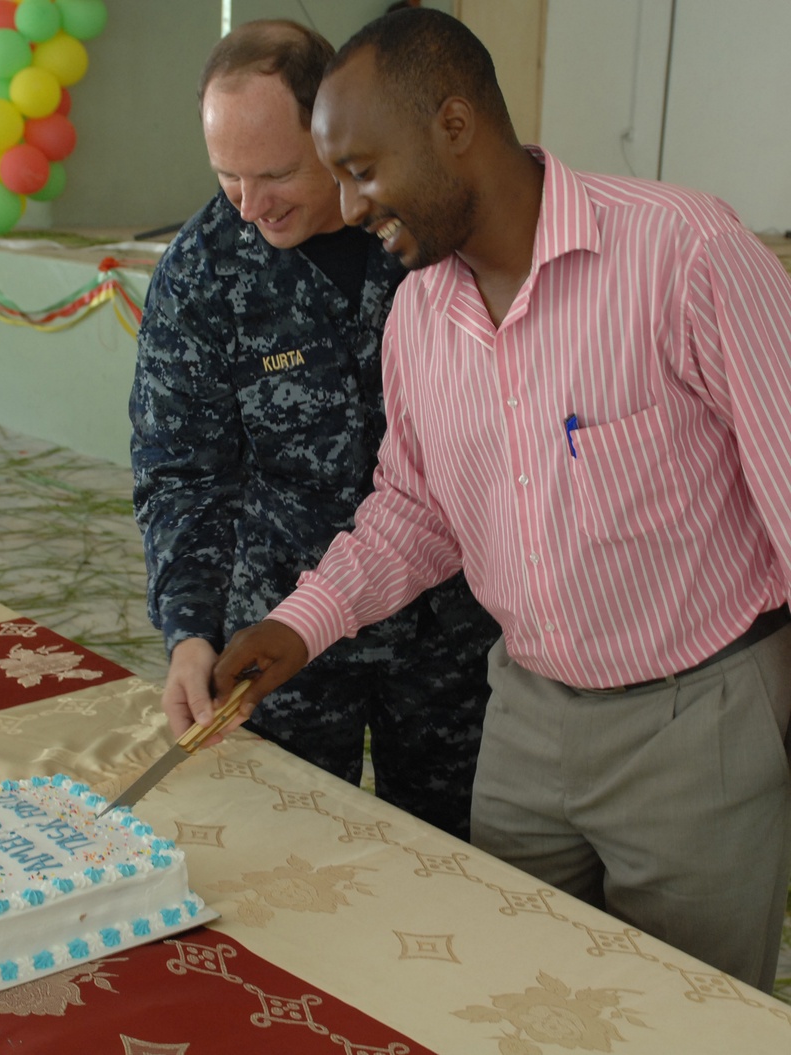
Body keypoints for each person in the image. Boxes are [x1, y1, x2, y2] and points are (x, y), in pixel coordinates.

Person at [211, 8, 791, 993]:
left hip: (701, 729)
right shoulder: (418, 314)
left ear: (451, 126)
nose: (349, 207)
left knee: (691, 1013)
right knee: (514, 988)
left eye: (361, 168)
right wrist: (299, 624)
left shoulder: (681, 252)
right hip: (524, 721)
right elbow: (415, 511)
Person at [129, 19, 497, 839]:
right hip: (283, 633)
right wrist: (190, 630)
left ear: (333, 130)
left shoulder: (426, 236)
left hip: (453, 632)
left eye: (277, 173)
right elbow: (180, 470)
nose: (252, 206)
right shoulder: (201, 272)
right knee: (283, 853)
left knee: (460, 861)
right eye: (228, 178)